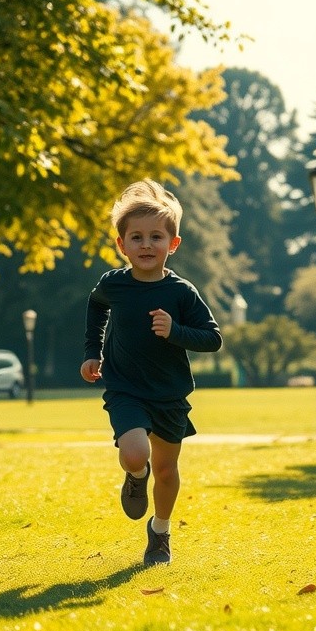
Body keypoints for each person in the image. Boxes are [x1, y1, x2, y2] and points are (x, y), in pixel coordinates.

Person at [80, 178, 222, 567]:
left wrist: (175, 331)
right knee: (135, 453)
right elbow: (96, 306)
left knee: (167, 469)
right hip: (125, 388)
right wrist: (93, 351)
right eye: (137, 237)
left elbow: (213, 339)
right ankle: (135, 474)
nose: (146, 245)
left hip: (169, 394)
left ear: (172, 244)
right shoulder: (114, 284)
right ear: (121, 244)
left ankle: (160, 532)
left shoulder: (181, 292)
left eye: (156, 237)